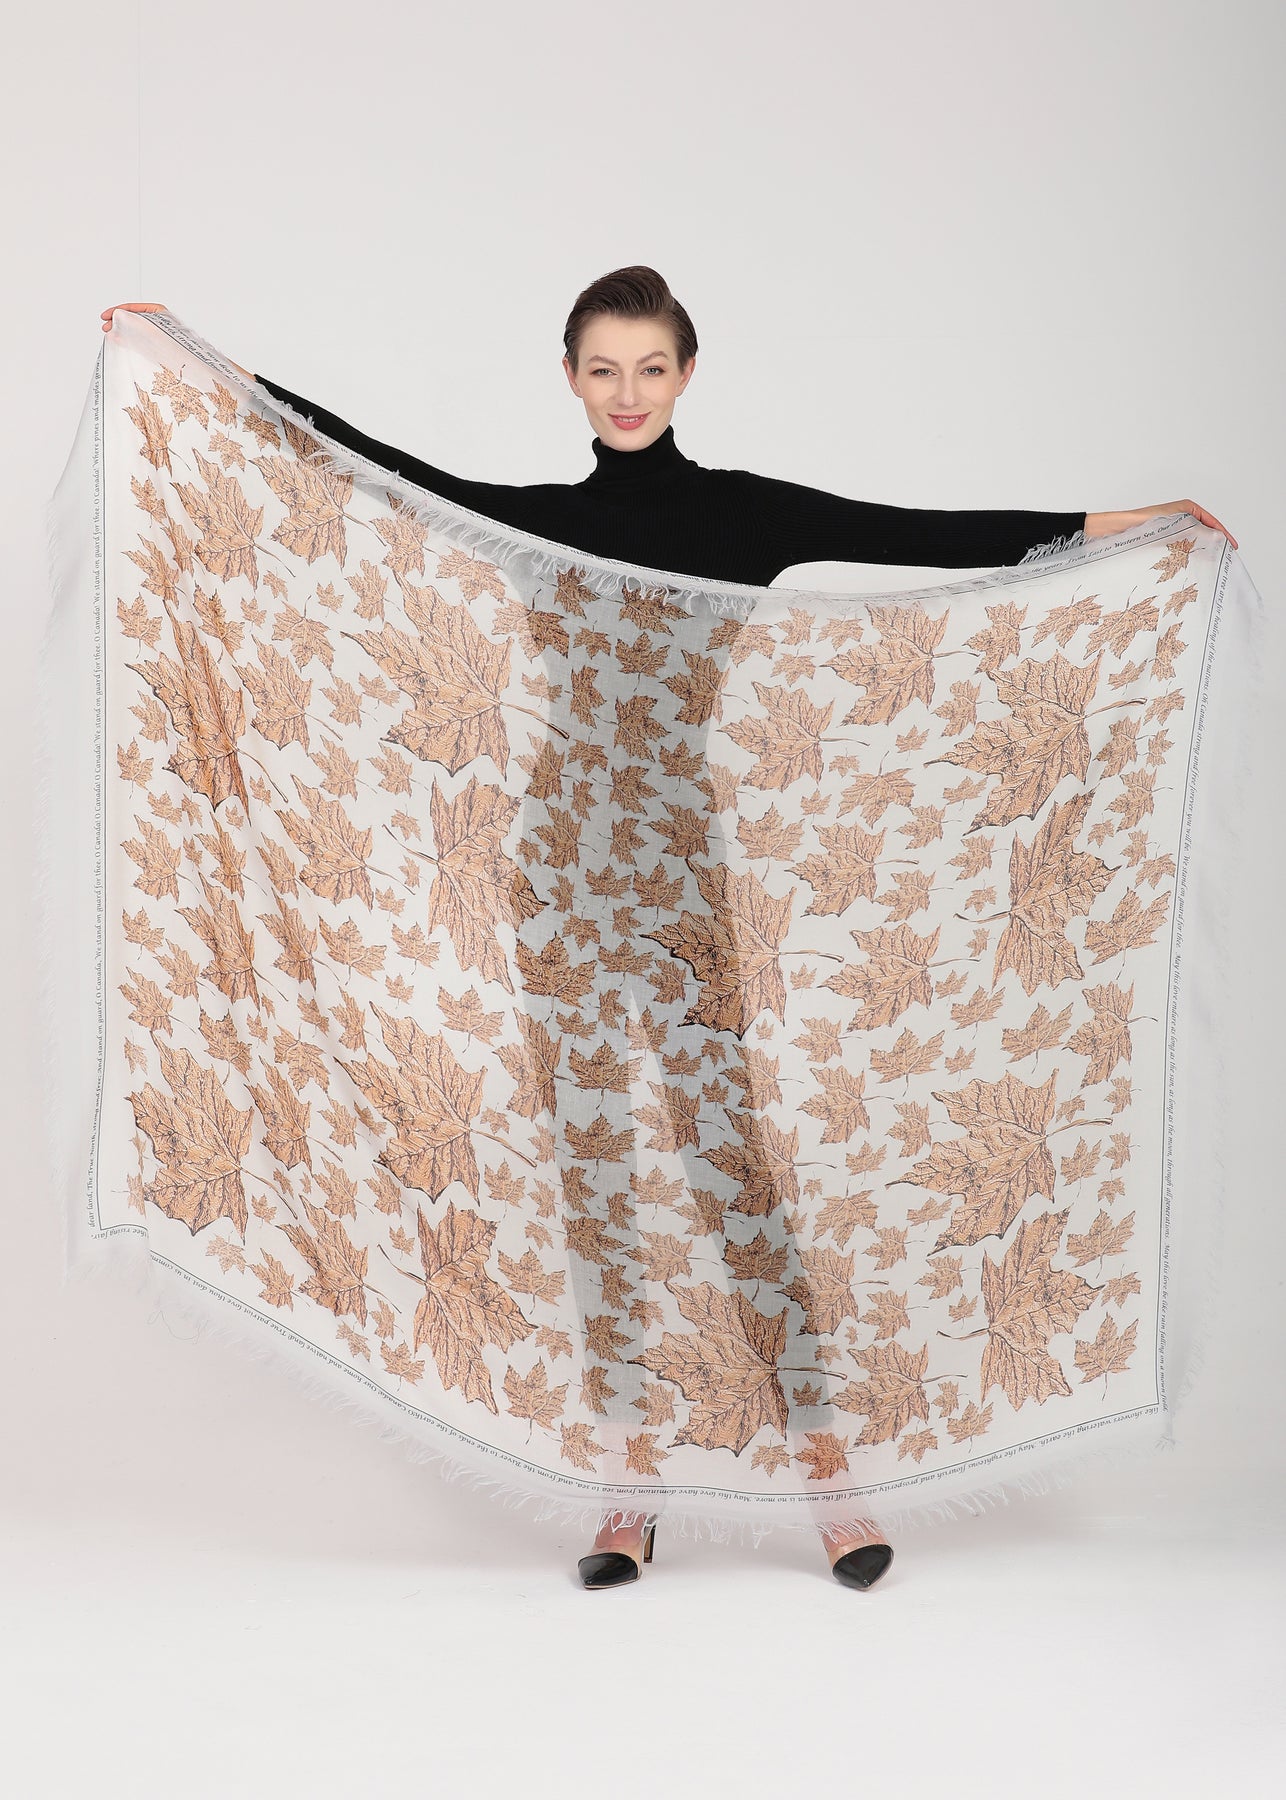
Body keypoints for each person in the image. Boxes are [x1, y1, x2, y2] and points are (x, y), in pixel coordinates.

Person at [99, 273, 1237, 1591]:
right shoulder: (539, 523)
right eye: (603, 369)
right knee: (593, 1171)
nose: (626, 393)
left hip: (681, 879)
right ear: (570, 379)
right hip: (557, 876)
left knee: (729, 1166)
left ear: (686, 373)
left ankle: (832, 1479)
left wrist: (1124, 526)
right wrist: (198, 367)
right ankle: (625, 1488)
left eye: (649, 368)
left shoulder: (741, 513)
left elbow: (925, 534)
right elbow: (370, 464)